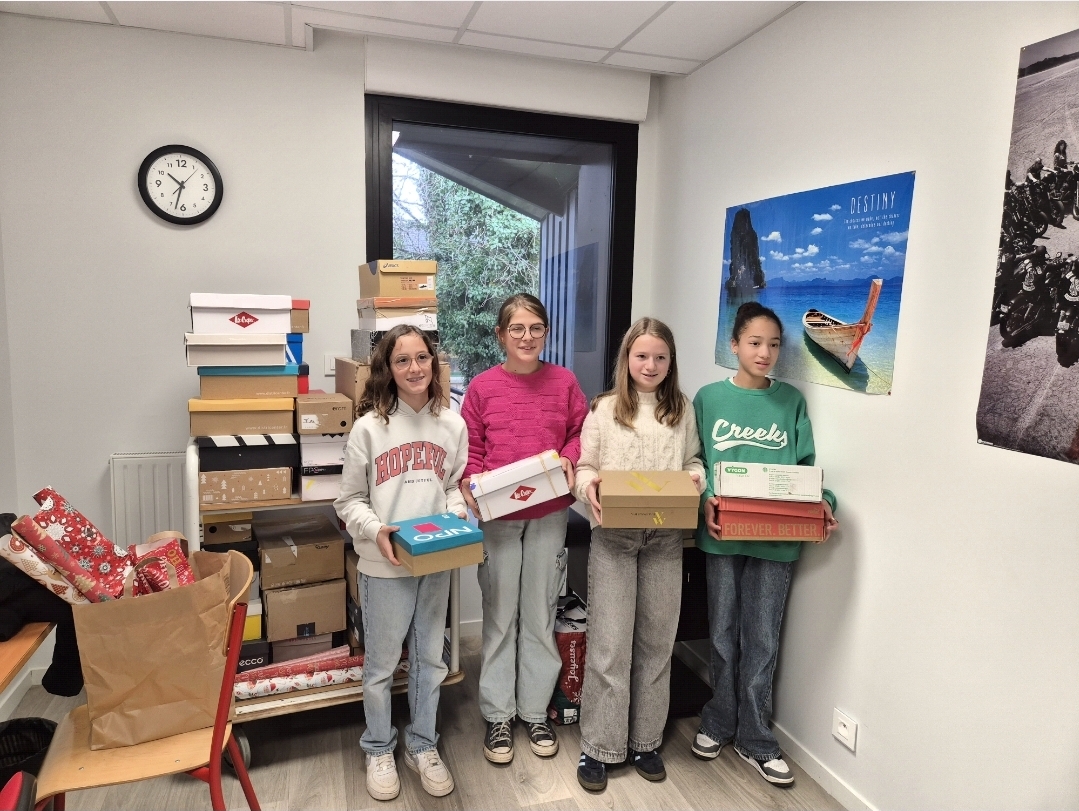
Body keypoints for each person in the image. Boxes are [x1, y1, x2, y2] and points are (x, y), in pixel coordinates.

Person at [691, 302, 838, 787]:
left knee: (763, 638)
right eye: (755, 342)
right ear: (734, 345)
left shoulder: (791, 401)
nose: (765, 352)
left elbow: (806, 469)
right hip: (723, 536)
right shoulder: (708, 399)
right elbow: (695, 462)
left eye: (774, 344)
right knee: (721, 633)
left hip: (777, 539)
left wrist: (824, 503)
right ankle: (718, 720)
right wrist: (706, 501)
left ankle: (755, 738)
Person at [334, 325, 468, 802]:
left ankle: (423, 744)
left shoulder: (452, 424)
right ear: (387, 370)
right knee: (382, 664)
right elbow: (348, 500)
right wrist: (376, 530)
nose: (415, 368)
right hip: (384, 566)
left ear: (434, 362)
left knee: (430, 659)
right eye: (402, 360)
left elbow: (452, 486)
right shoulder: (369, 428)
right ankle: (378, 747)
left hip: (435, 561)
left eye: (422, 358)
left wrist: (456, 515)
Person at [572, 317, 705, 792]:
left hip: (665, 542)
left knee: (656, 644)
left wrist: (696, 480)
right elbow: (584, 467)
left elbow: (693, 462)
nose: (651, 365)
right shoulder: (604, 409)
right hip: (614, 540)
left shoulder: (682, 410)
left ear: (671, 362)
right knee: (610, 646)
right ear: (626, 358)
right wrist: (589, 486)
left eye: (660, 357)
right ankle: (600, 746)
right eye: (642, 355)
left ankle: (645, 741)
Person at [459, 293, 588, 764]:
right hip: (499, 516)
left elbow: (580, 432)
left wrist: (570, 456)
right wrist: (470, 484)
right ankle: (498, 714)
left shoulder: (564, 382)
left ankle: (534, 711)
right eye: (517, 329)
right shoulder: (482, 388)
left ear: (546, 333)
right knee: (499, 616)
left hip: (550, 512)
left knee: (539, 613)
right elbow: (471, 449)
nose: (527, 337)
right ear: (501, 335)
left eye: (536, 328)